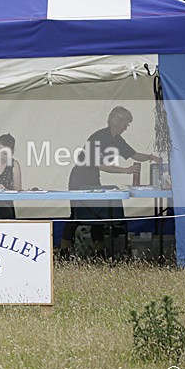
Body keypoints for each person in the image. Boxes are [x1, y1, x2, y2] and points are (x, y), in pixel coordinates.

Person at [62, 106, 160, 258]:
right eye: (125, 124)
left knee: (99, 215)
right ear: (116, 121)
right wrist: (125, 170)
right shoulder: (98, 137)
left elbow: (133, 154)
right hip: (79, 178)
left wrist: (150, 157)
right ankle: (64, 250)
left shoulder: (117, 140)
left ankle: (100, 251)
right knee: (76, 215)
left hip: (93, 178)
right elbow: (97, 164)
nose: (126, 128)